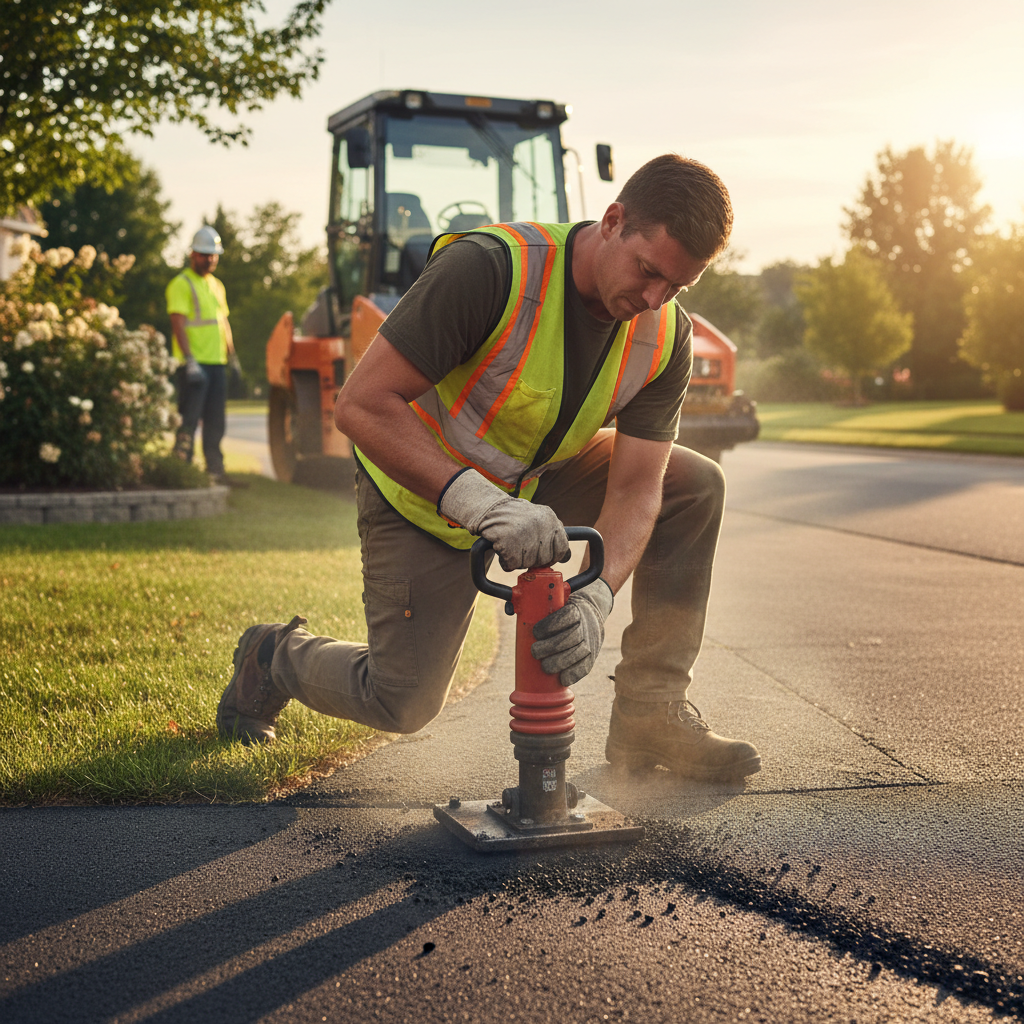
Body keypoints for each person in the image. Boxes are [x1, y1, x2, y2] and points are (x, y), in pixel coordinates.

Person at [216, 154, 762, 782]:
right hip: (420, 490)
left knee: (694, 485)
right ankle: (272, 657)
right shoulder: (491, 271)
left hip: (536, 475)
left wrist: (598, 596)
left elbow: (641, 486)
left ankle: (651, 712)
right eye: (648, 272)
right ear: (613, 221)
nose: (653, 299)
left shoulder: (666, 335)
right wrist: (483, 504)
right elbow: (362, 405)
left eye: (676, 287)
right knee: (402, 700)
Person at [165, 225, 237, 484]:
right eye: (205, 255)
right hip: (193, 365)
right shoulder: (180, 284)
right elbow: (178, 324)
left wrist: (233, 357)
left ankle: (215, 470)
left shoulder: (217, 285)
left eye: (213, 255)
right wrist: (190, 361)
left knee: (216, 421)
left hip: (216, 363)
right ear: (192, 254)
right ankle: (180, 469)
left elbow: (223, 323)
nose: (209, 260)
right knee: (189, 418)